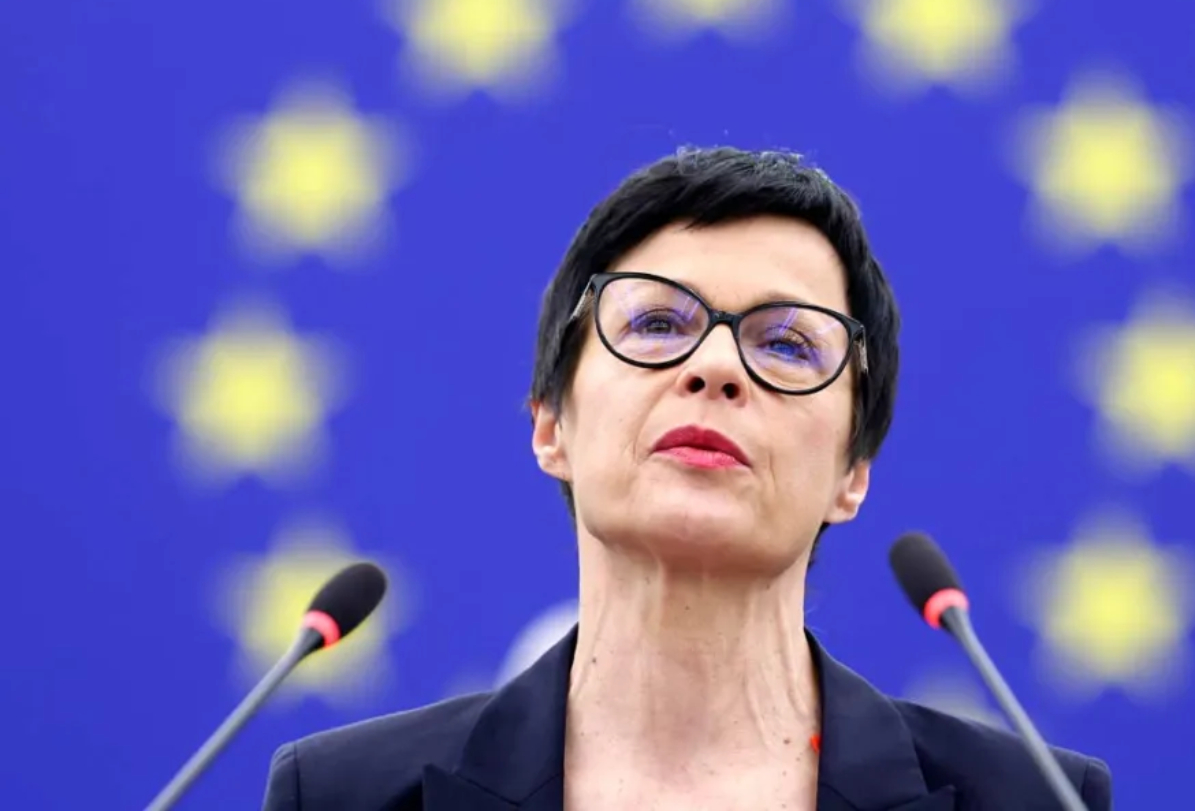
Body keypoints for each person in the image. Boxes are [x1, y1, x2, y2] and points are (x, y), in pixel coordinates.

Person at [261, 147, 1113, 810]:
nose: (715, 365)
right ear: (551, 424)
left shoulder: (1031, 798)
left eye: (788, 344)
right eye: (658, 322)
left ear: (853, 473)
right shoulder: (346, 795)